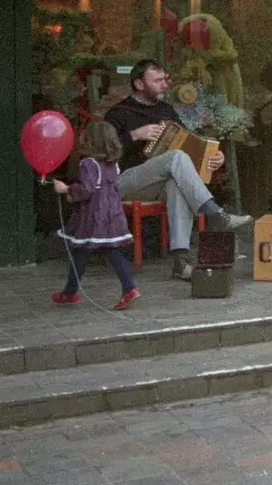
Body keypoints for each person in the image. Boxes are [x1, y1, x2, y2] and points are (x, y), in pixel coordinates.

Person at [104, 59, 250, 280]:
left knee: (177, 184)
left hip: (156, 184)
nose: (165, 84)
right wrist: (134, 135)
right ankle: (215, 214)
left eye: (165, 79)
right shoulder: (118, 113)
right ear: (139, 84)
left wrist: (213, 157)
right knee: (175, 158)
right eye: (158, 80)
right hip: (124, 181)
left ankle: (180, 263)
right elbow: (103, 153)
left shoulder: (166, 110)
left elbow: (188, 144)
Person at [50, 121, 139, 310]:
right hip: (113, 216)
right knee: (112, 251)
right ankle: (129, 287)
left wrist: (66, 188)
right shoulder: (113, 165)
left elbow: (87, 190)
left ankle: (70, 292)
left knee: (80, 252)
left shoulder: (88, 164)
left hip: (94, 218)